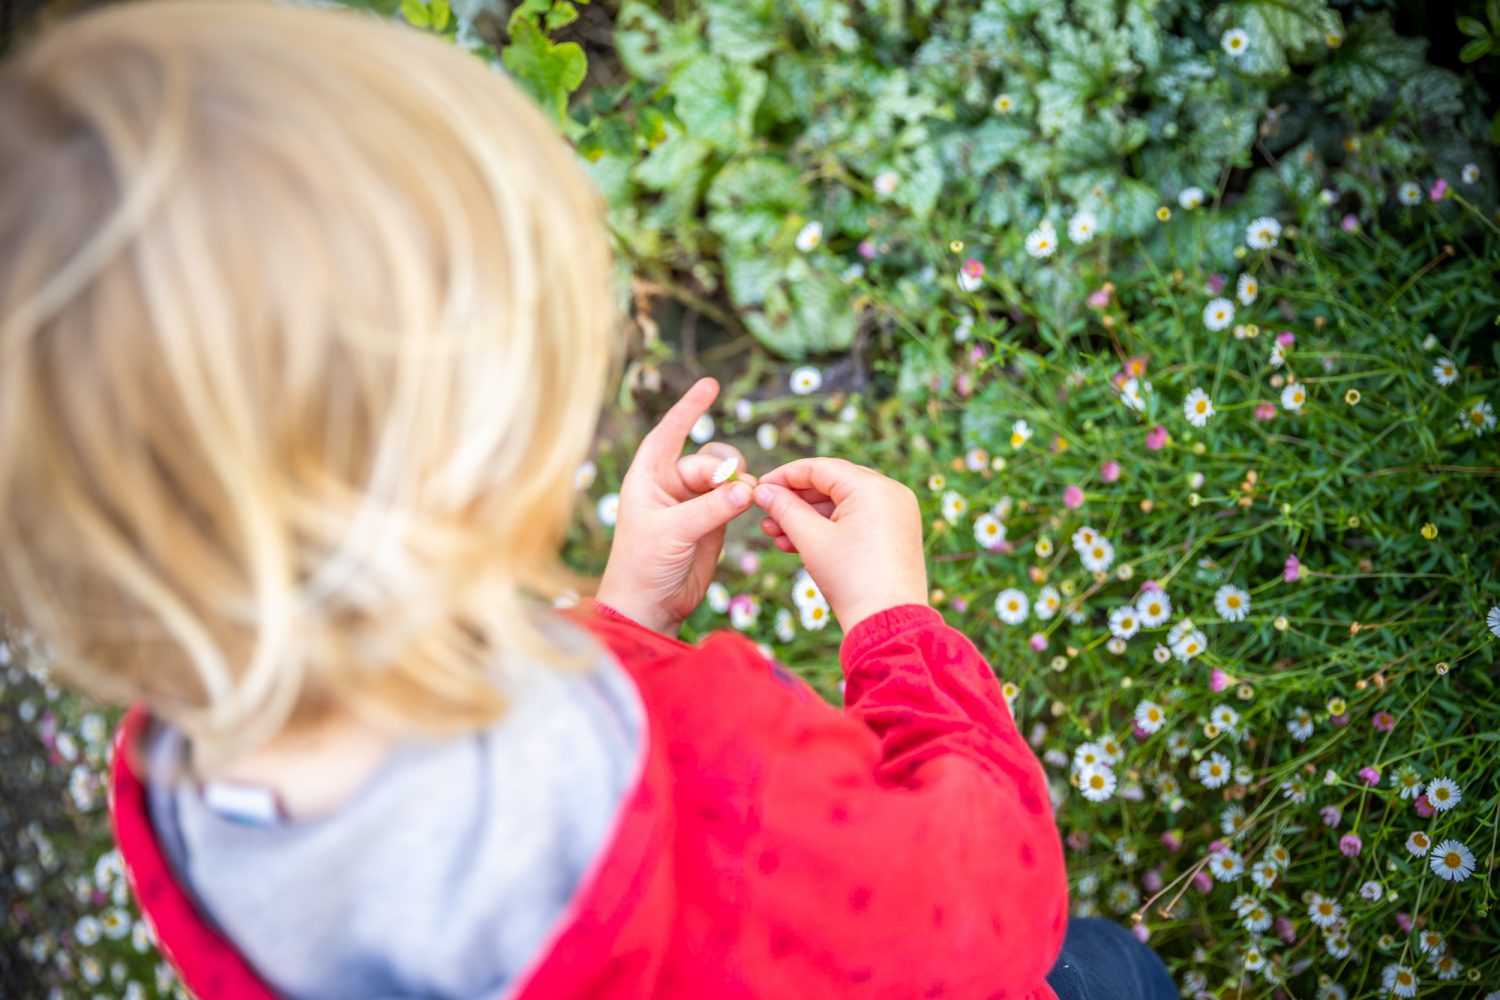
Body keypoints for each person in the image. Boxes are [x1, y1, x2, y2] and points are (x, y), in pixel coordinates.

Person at [0, 2, 1175, 998]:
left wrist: (622, 619)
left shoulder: (181, 786)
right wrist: (895, 627)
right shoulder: (702, 765)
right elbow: (983, 908)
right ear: (464, 479)